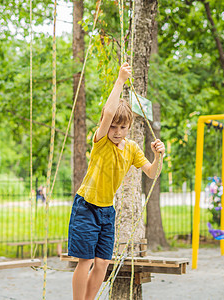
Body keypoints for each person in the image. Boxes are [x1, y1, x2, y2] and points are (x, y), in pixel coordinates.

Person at [68, 62, 165, 300]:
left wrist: (158, 156)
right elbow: (109, 111)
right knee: (86, 261)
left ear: (129, 127)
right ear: (105, 125)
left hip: (107, 211)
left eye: (123, 127)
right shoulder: (101, 141)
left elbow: (152, 173)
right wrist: (120, 80)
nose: (117, 131)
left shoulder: (131, 148)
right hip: (87, 206)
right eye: (113, 126)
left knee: (102, 263)